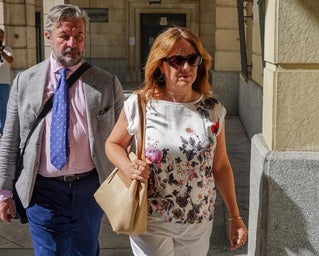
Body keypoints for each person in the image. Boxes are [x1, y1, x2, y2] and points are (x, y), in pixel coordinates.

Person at [105, 26, 248, 256]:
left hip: (198, 219)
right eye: (177, 60)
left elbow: (220, 165)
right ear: (161, 64)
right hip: (151, 218)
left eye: (192, 60)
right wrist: (129, 166)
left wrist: (235, 216)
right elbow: (112, 144)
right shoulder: (140, 104)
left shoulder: (213, 109)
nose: (186, 67)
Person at [0, 4, 124, 255]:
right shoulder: (26, 81)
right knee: (49, 252)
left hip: (90, 191)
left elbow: (123, 140)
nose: (72, 43)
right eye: (64, 36)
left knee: (86, 250)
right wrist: (4, 191)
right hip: (43, 191)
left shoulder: (106, 83)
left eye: (79, 36)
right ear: (48, 36)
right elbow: (10, 139)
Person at [0, 28, 14, 138]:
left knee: (4, 107)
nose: (0, 38)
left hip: (4, 82)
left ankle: (3, 129)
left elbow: (10, 60)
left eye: (1, 36)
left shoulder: (7, 49)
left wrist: (1, 51)